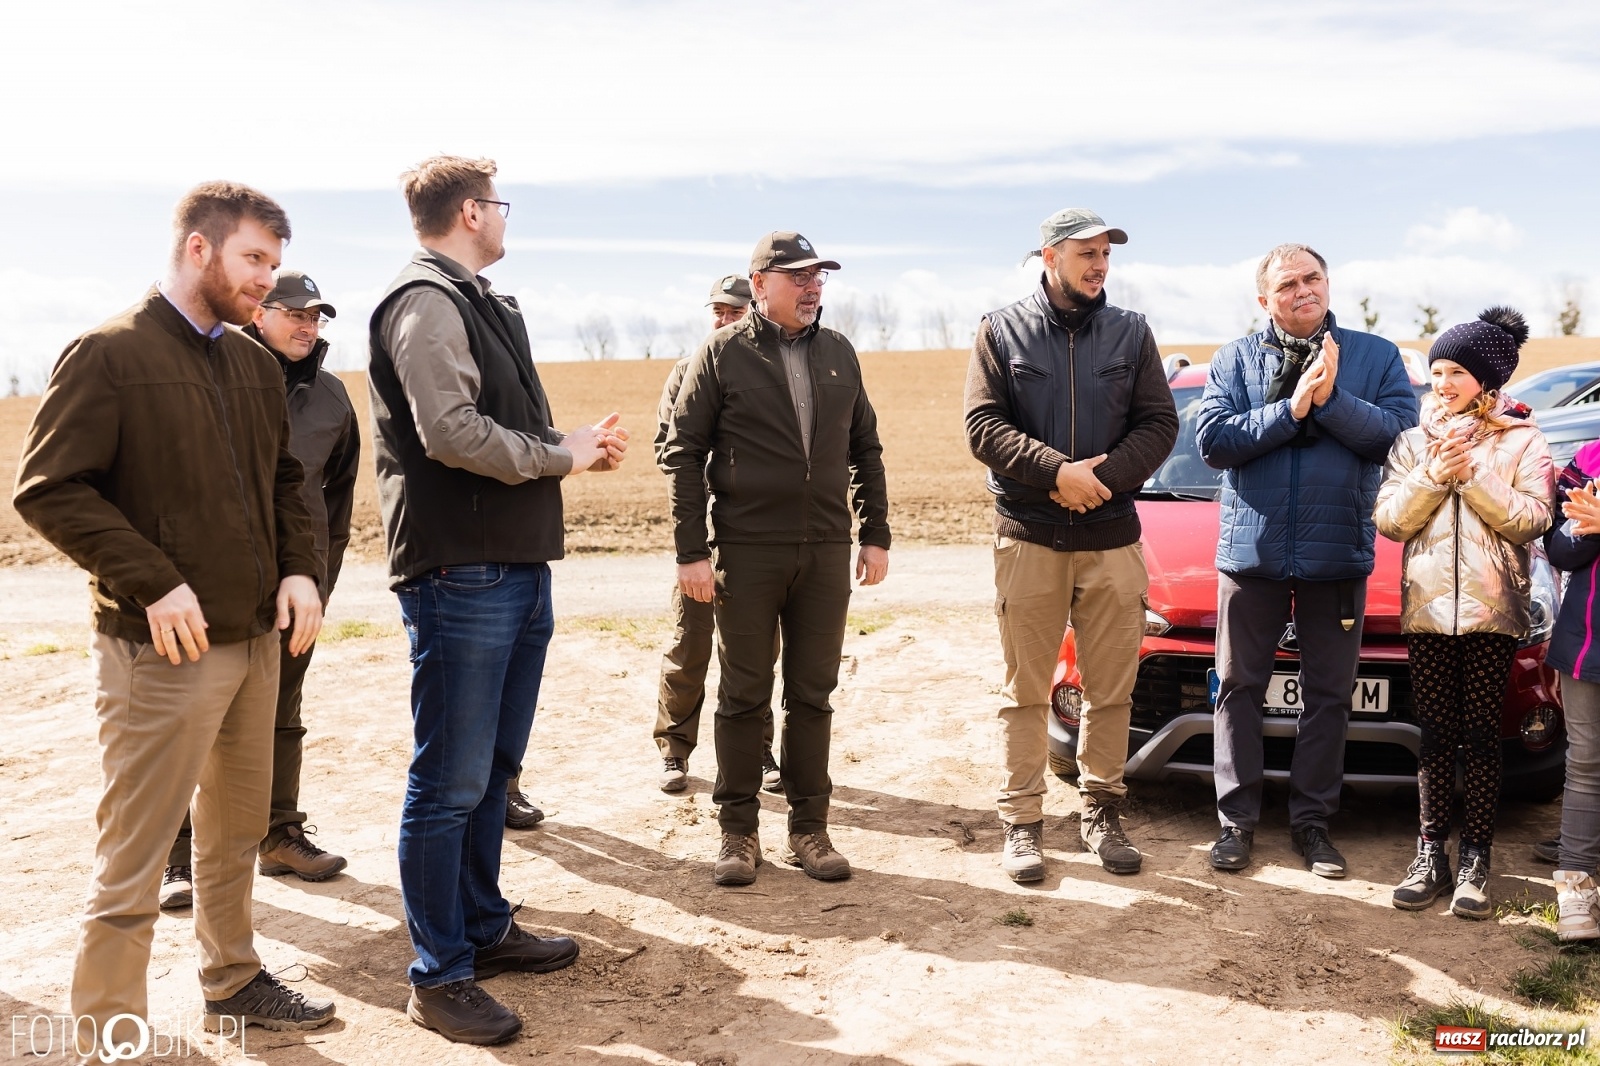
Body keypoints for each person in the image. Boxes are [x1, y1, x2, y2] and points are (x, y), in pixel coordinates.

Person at [12, 182, 336, 1048]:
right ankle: (108, 1035)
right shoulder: (108, 353)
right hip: (160, 650)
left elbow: (285, 482)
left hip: (255, 642)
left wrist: (300, 570)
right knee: (137, 858)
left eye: (274, 261)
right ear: (199, 248)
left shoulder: (254, 364)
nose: (267, 279)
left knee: (234, 836)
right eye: (253, 259)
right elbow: (48, 490)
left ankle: (233, 981)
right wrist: (154, 582)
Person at [369, 155, 627, 1045]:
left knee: (491, 772)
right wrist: (560, 455)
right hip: (461, 571)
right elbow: (449, 433)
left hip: (512, 563)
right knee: (448, 781)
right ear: (472, 212)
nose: (505, 218)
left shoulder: (476, 301)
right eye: (500, 204)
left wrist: (568, 442)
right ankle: (438, 975)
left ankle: (482, 926)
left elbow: (493, 425)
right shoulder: (425, 300)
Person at [660, 231, 891, 887]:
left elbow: (865, 449)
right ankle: (737, 833)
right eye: (798, 276)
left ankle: (810, 829)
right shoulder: (721, 353)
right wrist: (691, 551)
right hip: (746, 550)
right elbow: (682, 453)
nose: (812, 287)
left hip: (825, 550)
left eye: (819, 276)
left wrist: (875, 532)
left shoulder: (840, 352)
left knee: (813, 695)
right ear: (760, 284)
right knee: (743, 695)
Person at [964, 208, 1178, 880]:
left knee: (1110, 689)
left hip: (1112, 538)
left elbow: (1159, 424)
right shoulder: (1001, 330)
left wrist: (1099, 482)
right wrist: (1056, 473)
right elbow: (982, 425)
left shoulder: (1132, 332)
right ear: (1050, 257)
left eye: (1106, 253)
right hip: (1029, 537)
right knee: (1025, 690)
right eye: (1086, 253)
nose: (1100, 265)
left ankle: (1101, 812)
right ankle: (1022, 822)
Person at [1196, 243, 1417, 877]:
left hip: (1337, 552)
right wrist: (1290, 410)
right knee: (1238, 687)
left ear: (1328, 283)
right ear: (1264, 300)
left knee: (1328, 696)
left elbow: (1399, 439)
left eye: (1313, 278)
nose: (1304, 290)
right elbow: (1213, 441)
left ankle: (1313, 824)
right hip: (1252, 555)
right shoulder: (1234, 359)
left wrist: (1331, 400)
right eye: (1289, 284)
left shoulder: (1374, 356)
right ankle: (1236, 823)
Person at [159, 270, 358, 909]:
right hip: (211, 584)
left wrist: (319, 577)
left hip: (295, 588)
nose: (308, 326)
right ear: (259, 315)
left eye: (316, 317)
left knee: (282, 710)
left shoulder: (332, 397)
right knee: (194, 716)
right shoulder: (210, 374)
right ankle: (177, 857)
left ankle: (278, 834)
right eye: (295, 313)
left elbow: (337, 499)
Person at [1375, 307, 1553, 919]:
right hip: (1427, 612)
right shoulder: (1412, 442)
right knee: (1433, 737)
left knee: (1480, 737)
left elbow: (1533, 520)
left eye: (1455, 372)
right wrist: (1433, 474)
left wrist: (1473, 474)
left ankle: (1476, 858)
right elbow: (1390, 520)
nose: (1442, 383)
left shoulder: (1524, 440)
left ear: (1486, 377)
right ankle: (1430, 854)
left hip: (1491, 612)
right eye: (1436, 372)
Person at [653, 274, 782, 795]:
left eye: (735, 311)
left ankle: (759, 750)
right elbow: (669, 452)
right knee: (690, 643)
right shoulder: (686, 370)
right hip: (702, 534)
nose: (725, 320)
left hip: (753, 538)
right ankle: (674, 750)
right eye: (718, 311)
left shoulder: (772, 369)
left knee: (755, 652)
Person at [1541, 438, 1600, 939]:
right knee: (1584, 764)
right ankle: (1576, 892)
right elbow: (1558, 550)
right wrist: (1587, 526)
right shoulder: (1588, 460)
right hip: (1587, 643)